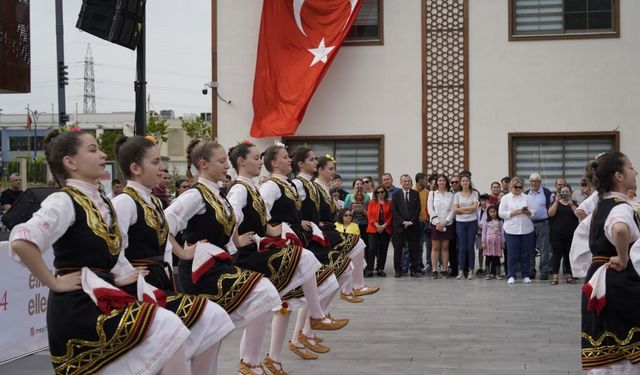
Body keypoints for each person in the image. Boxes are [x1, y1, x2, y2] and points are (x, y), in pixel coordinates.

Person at [10, 129, 192, 374]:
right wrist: (53, 282)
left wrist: (120, 275)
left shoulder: (102, 201)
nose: (103, 154)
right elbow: (22, 241)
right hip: (80, 308)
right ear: (70, 162)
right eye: (93, 149)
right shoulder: (64, 200)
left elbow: (108, 252)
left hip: (104, 297)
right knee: (169, 326)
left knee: (170, 331)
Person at [112, 135, 235, 374]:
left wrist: (182, 252)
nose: (162, 168)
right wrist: (124, 277)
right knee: (208, 319)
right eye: (156, 162)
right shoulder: (124, 202)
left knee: (211, 322)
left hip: (161, 282)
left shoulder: (154, 202)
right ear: (135, 168)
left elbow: (166, 234)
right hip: (140, 287)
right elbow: (113, 247)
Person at [164, 139, 284, 374]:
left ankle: (249, 362)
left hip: (217, 266)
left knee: (213, 334)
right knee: (262, 292)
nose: (226, 166)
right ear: (203, 164)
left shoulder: (219, 195)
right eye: (221, 162)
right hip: (200, 271)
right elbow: (163, 223)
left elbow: (230, 226)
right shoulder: (195, 196)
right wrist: (181, 251)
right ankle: (250, 362)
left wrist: (238, 241)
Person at [227, 142, 338, 373]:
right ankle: (312, 320)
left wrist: (279, 229)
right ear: (241, 161)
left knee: (275, 304)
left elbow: (263, 221)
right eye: (256, 157)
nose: (260, 162)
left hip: (272, 247)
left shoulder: (259, 188)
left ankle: (263, 360)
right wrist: (234, 243)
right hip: (252, 255)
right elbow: (231, 218)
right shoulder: (245, 189)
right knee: (270, 301)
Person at [261, 145, 347, 362]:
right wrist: (268, 232)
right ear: (273, 162)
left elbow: (293, 213)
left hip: (295, 244)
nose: (289, 160)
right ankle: (303, 332)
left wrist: (299, 222)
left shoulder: (289, 185)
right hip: (281, 249)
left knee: (292, 301)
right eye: (284, 157)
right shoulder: (272, 186)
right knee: (284, 304)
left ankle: (291, 344)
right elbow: (258, 214)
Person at [580, 152, 640, 372]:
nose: (635, 171)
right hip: (618, 279)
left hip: (598, 278)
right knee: (628, 348)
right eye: (631, 167)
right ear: (619, 176)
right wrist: (623, 258)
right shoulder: (621, 207)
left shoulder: (599, 207)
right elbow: (620, 228)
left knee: (607, 345)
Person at [499, 177, 536, 284]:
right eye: (516, 187)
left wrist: (528, 212)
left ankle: (526, 275)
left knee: (526, 254)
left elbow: (533, 211)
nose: (518, 189)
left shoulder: (528, 198)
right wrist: (514, 213)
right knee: (512, 254)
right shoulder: (506, 198)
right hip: (511, 229)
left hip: (526, 229)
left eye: (520, 187)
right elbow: (501, 213)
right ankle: (511, 275)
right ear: (511, 187)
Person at [548, 184, 578, 285]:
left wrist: (571, 205)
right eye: (563, 192)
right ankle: (555, 276)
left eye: (567, 192)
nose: (565, 193)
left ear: (570, 193)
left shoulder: (574, 203)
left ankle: (569, 276)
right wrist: (556, 201)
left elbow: (578, 214)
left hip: (571, 234)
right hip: (557, 234)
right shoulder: (554, 202)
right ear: (560, 193)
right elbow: (550, 214)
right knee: (556, 256)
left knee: (569, 255)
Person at [391, 174, 421, 278]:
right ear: (401, 182)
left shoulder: (415, 194)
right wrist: (402, 222)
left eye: (408, 181)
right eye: (405, 181)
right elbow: (394, 211)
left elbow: (418, 210)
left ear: (411, 182)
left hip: (412, 226)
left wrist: (411, 221)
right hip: (399, 226)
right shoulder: (395, 195)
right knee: (398, 249)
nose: (407, 183)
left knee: (413, 249)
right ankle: (398, 270)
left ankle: (413, 270)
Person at [525, 173, 553, 280]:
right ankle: (531, 270)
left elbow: (553, 205)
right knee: (529, 248)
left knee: (544, 249)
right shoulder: (526, 193)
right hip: (529, 223)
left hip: (543, 223)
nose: (534, 183)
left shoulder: (547, 193)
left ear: (540, 182)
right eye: (532, 181)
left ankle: (544, 271)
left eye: (536, 181)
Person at [427, 174, 454, 279]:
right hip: (435, 224)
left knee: (445, 247)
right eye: (439, 180)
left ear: (446, 182)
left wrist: (445, 222)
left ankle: (444, 269)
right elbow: (430, 209)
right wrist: (438, 222)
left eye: (443, 180)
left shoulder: (451, 195)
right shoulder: (432, 194)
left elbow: (453, 210)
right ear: (436, 183)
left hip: (447, 223)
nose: (441, 182)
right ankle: (434, 270)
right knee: (435, 247)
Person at [453, 174, 479, 279]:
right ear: (460, 182)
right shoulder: (457, 195)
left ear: (469, 182)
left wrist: (462, 210)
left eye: (467, 180)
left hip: (472, 222)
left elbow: (474, 208)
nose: (465, 182)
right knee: (462, 247)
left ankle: (471, 270)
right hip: (460, 223)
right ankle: (461, 271)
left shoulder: (475, 193)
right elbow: (455, 209)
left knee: (470, 246)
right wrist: (468, 209)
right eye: (463, 181)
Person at [366, 186, 392, 277]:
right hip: (373, 228)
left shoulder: (389, 203)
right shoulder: (372, 202)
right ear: (375, 193)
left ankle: (380, 268)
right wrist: (377, 225)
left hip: (386, 229)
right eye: (378, 192)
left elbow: (391, 216)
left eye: (382, 192)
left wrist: (384, 226)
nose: (380, 194)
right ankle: (369, 269)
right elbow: (370, 215)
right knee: (372, 249)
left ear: (385, 193)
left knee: (383, 249)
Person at [414, 172, 431, 273]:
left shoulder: (427, 192)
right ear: (420, 180)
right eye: (425, 179)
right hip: (415, 221)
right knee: (418, 245)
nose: (426, 181)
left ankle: (428, 264)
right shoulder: (412, 190)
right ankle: (418, 265)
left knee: (428, 245)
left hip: (425, 221)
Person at [482, 205, 504, 280]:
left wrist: (503, 242)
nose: (492, 213)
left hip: (497, 242)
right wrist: (483, 242)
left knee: (496, 258)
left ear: (497, 212)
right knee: (488, 257)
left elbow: (502, 232)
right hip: (488, 242)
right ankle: (488, 274)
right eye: (490, 212)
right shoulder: (486, 221)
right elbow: (484, 232)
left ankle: (497, 274)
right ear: (488, 213)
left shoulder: (500, 221)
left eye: (494, 211)